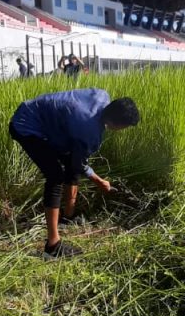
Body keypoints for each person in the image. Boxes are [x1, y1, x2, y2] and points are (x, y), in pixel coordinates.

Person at [9, 89, 139, 258]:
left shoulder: (102, 95)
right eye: (125, 127)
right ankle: (53, 246)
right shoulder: (89, 130)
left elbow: (75, 161)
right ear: (117, 124)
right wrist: (100, 181)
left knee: (71, 163)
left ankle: (68, 217)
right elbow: (81, 164)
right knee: (55, 176)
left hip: (46, 121)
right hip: (26, 125)